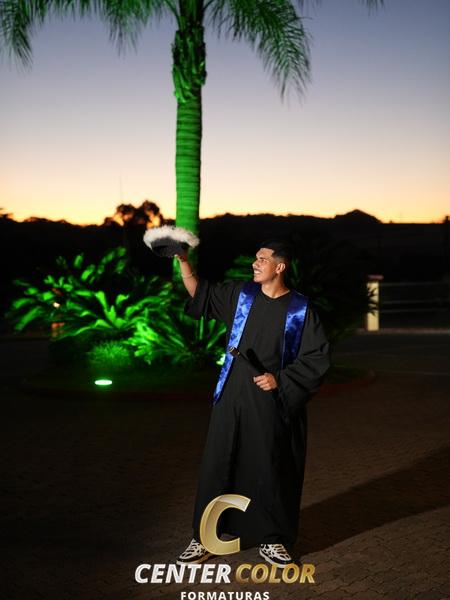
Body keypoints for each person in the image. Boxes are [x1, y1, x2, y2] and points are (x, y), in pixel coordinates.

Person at [175, 239, 330, 567]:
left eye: (262, 259)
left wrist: (280, 380)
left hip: (269, 400)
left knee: (268, 467)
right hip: (231, 394)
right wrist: (183, 261)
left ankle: (272, 539)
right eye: (255, 259)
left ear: (280, 266)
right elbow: (201, 294)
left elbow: (317, 358)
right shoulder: (241, 295)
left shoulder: (301, 310)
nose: (254, 264)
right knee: (219, 464)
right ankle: (204, 537)